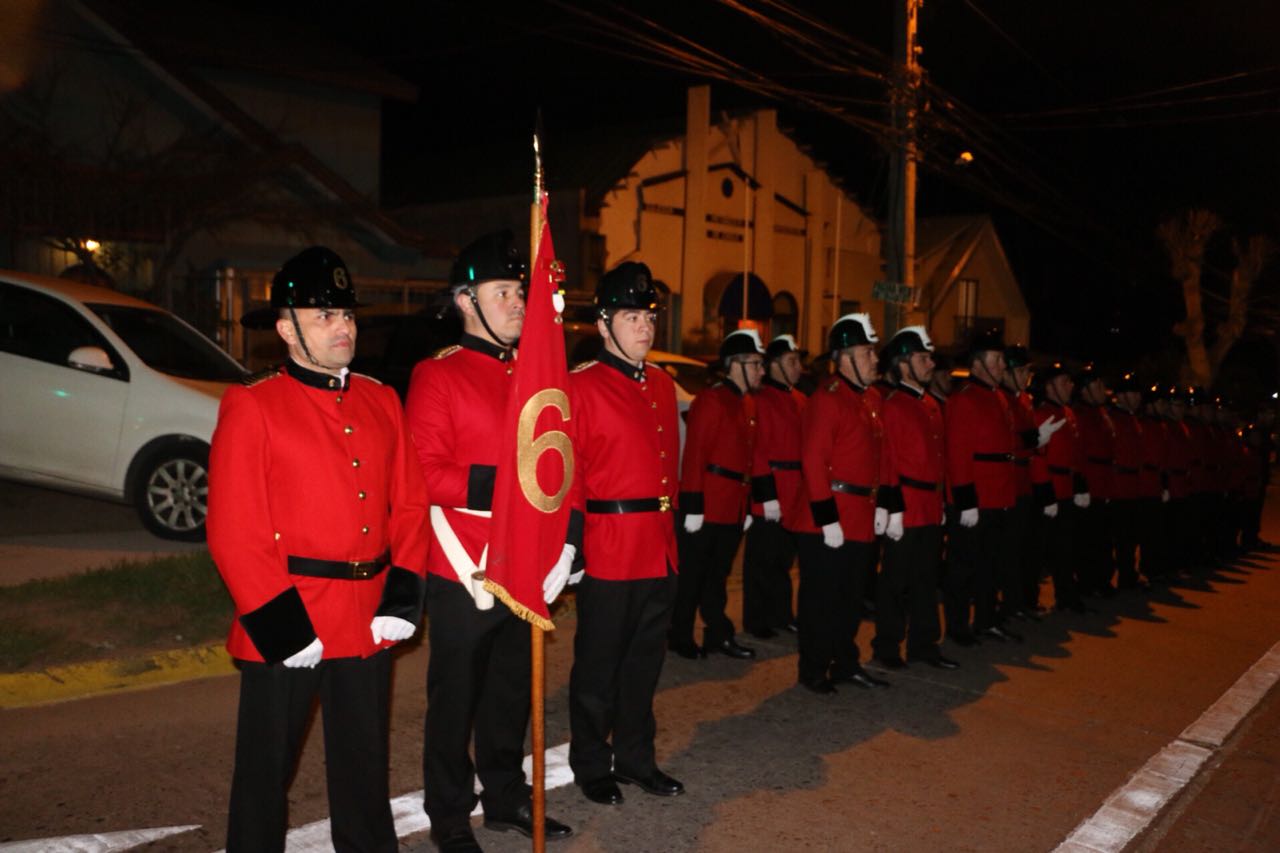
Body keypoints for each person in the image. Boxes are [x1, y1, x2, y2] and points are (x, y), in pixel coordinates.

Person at [208, 246, 431, 853]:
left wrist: (402, 595)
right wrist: (283, 626)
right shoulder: (253, 404)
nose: (343, 328)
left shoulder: (382, 398)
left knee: (364, 770)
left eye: (348, 316)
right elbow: (234, 530)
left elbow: (411, 506)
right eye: (325, 316)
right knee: (264, 774)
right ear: (287, 329)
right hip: (287, 613)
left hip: (366, 617)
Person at [404, 231, 574, 852]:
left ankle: (505, 800)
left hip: (527, 562)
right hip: (463, 566)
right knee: (455, 703)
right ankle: (448, 818)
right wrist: (510, 484)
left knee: (509, 696)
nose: (517, 303)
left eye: (520, 291)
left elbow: (562, 464)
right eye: (503, 291)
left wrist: (567, 548)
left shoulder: (536, 376)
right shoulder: (437, 374)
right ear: (465, 301)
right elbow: (426, 473)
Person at [567, 262, 685, 807]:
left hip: (658, 547)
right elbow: (568, 475)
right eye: (632, 317)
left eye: (649, 317)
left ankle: (636, 758)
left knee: (644, 665)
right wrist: (571, 546)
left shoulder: (661, 385)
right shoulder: (581, 386)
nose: (645, 327)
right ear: (604, 323)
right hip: (609, 547)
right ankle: (592, 763)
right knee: (598, 669)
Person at [794, 313, 893, 694]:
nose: (875, 360)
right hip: (828, 516)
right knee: (821, 599)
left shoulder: (871, 399)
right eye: (867, 353)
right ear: (845, 357)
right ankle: (814, 667)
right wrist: (827, 517)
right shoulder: (827, 399)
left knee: (851, 598)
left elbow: (880, 457)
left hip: (860, 515)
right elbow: (813, 460)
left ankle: (846, 662)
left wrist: (883, 504)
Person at [670, 328, 765, 660]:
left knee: (718, 576)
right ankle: (679, 634)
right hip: (707, 503)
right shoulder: (712, 400)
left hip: (733, 504)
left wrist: (750, 505)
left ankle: (718, 634)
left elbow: (752, 457)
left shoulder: (749, 402)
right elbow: (695, 453)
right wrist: (693, 504)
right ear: (735, 364)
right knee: (692, 576)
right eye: (755, 364)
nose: (761, 371)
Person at [943, 330, 1041, 645]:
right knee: (964, 566)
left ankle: (986, 620)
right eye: (996, 360)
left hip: (1000, 493)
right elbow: (958, 453)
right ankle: (958, 626)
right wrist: (965, 499)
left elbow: (1007, 444)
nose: (1001, 366)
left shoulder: (999, 397)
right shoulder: (964, 398)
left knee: (991, 564)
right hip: (977, 496)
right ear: (978, 363)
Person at [872, 326, 958, 670]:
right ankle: (887, 645)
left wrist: (942, 504)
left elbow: (940, 459)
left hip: (929, 504)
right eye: (923, 358)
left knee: (925, 579)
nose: (930, 363)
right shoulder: (892, 405)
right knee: (895, 579)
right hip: (905, 504)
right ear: (903, 364)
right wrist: (892, 509)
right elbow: (887, 459)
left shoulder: (932, 405)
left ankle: (924, 643)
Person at [742, 333, 807, 639]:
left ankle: (781, 614)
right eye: (792, 361)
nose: (799, 368)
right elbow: (756, 450)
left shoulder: (800, 399)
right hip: (771, 489)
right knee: (761, 560)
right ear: (775, 365)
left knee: (783, 560)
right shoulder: (761, 400)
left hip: (795, 490)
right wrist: (766, 495)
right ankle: (757, 619)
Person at [1030, 362, 1090, 612]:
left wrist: (1080, 485)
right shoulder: (1042, 414)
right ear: (1050, 386)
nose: (1070, 386)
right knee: (1038, 550)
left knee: (1066, 547)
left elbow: (1076, 454)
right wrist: (1045, 492)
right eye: (1065, 381)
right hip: (1049, 488)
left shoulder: (1069, 412)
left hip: (1066, 487)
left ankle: (1067, 596)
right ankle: (1027, 600)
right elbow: (1037, 455)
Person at [1073, 365, 1116, 597]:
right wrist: (1080, 485)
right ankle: (1087, 581)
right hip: (1089, 482)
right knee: (1087, 538)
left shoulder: (1102, 413)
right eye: (1097, 386)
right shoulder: (1080, 414)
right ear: (1085, 390)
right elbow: (1077, 451)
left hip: (1104, 481)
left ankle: (1102, 579)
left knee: (1103, 536)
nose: (1102, 390)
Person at [1108, 373, 1148, 589]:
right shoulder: (1112, 417)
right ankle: (1117, 575)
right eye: (1133, 393)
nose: (1138, 397)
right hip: (1118, 485)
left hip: (1133, 485)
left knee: (1131, 537)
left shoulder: (1133, 419)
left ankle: (1128, 574)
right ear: (1121, 396)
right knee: (1120, 536)